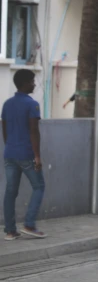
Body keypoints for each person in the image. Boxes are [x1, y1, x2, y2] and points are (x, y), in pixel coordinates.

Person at [3, 70, 46, 240]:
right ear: (25, 83)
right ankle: (29, 224)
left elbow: (4, 130)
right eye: (32, 81)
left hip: (10, 153)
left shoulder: (7, 104)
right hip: (27, 154)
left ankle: (10, 231)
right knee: (39, 186)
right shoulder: (32, 104)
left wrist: (10, 147)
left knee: (10, 192)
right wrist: (37, 156)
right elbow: (34, 131)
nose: (34, 84)